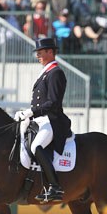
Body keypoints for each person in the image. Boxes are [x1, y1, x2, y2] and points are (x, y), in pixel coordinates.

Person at [14, 37, 72, 202]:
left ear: (50, 52)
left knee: (36, 146)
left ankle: (55, 187)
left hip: (52, 120)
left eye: (40, 52)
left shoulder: (56, 73)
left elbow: (53, 103)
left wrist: (31, 111)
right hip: (40, 120)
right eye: (37, 53)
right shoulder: (45, 73)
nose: (37, 55)